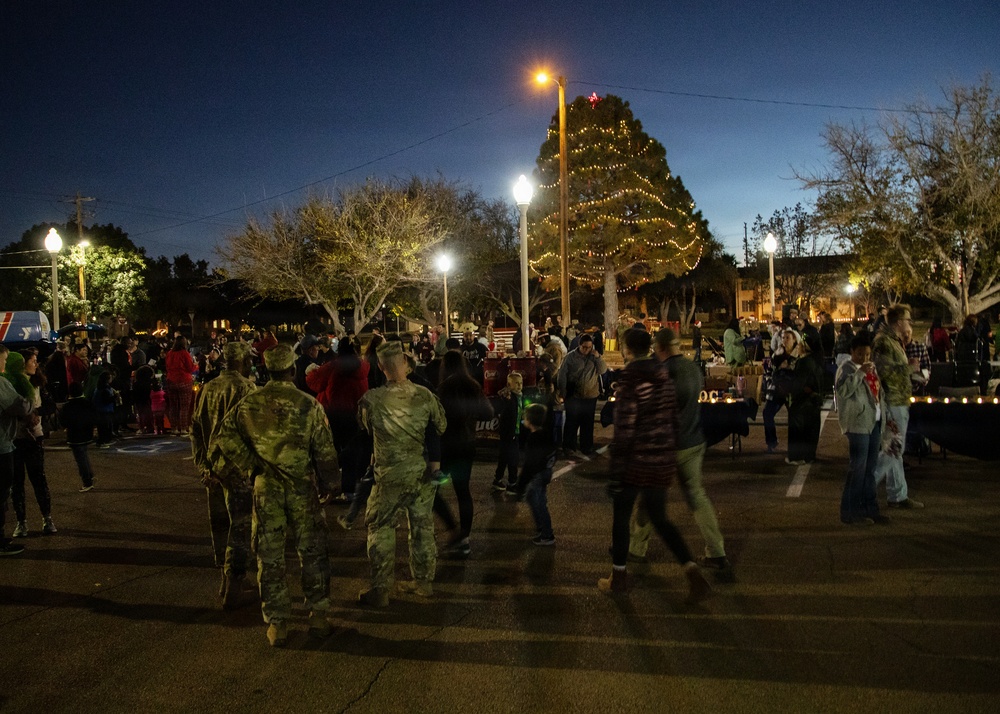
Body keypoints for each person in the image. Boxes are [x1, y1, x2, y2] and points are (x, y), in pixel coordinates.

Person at [215, 344, 340, 647]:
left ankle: (277, 623)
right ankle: (318, 615)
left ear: (266, 370)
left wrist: (251, 464)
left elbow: (224, 437)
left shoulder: (249, 404)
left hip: (266, 487)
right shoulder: (308, 404)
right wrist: (330, 483)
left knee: (269, 557)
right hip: (301, 487)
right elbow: (324, 450)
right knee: (311, 552)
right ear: (293, 370)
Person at [598, 329, 710, 602]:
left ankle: (619, 577)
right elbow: (673, 416)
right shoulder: (662, 374)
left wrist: (616, 469)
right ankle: (693, 573)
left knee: (621, 517)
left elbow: (625, 427)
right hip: (661, 456)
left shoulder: (631, 377)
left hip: (636, 459)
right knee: (660, 518)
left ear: (626, 349)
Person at [629, 328, 732, 576]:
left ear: (660, 348)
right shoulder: (693, 369)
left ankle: (636, 548)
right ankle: (716, 552)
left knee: (649, 498)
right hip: (694, 440)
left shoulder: (664, 373)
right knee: (697, 497)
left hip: (667, 445)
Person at [357, 341, 447, 607]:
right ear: (406, 364)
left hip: (388, 476)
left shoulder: (371, 400)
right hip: (420, 472)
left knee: (381, 528)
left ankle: (381, 589)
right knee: (422, 528)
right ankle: (423, 583)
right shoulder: (425, 395)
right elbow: (440, 426)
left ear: (381, 366)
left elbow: (364, 430)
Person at [190, 341, 258, 609]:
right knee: (239, 528)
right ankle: (235, 583)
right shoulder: (247, 389)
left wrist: (203, 466)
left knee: (219, 525)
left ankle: (224, 577)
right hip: (237, 470)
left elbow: (195, 430)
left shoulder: (207, 388)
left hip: (212, 471)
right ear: (241, 361)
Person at [434, 351, 493, 556]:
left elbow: (436, 419)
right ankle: (464, 537)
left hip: (447, 446)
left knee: (431, 490)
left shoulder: (443, 388)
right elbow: (488, 412)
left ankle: (454, 530)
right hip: (467, 444)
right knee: (462, 491)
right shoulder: (473, 386)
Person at [835, 333, 890, 526]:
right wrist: (860, 373)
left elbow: (879, 394)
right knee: (857, 470)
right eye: (860, 354)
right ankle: (850, 512)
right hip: (858, 425)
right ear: (852, 352)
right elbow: (843, 391)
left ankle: (870, 509)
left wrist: (885, 417)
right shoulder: (846, 369)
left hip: (873, 423)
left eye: (867, 355)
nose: (864, 359)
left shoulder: (872, 369)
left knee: (870, 470)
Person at [872, 305, 924, 509]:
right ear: (898, 322)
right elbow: (883, 370)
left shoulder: (892, 341)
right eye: (907, 320)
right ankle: (865, 486)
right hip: (893, 401)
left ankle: (898, 495)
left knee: (895, 450)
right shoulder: (884, 342)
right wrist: (909, 368)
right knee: (893, 448)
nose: (910, 323)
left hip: (899, 399)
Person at [306, 340, 370, 504]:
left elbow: (314, 382)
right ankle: (350, 488)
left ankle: (330, 487)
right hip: (355, 413)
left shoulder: (332, 366)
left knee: (330, 450)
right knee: (351, 450)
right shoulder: (362, 368)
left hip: (333, 413)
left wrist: (311, 371)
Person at [3, 350, 56, 538]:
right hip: (15, 438)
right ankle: (21, 522)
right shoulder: (9, 383)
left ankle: (47, 518)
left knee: (38, 478)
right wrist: (25, 415)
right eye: (32, 361)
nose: (36, 364)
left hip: (35, 436)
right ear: (21, 363)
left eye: (36, 361)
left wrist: (36, 413)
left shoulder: (37, 382)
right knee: (17, 482)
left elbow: (50, 405)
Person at [0, 344, 31, 555]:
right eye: (3, 359)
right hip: (1, 446)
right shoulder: (1, 384)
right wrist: (30, 404)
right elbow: (18, 406)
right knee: (1, 492)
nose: (4, 363)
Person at [557, 334, 608, 457]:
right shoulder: (570, 357)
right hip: (573, 395)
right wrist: (563, 392)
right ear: (579, 345)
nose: (587, 350)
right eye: (584, 347)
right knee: (572, 422)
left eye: (589, 347)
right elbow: (562, 375)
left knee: (587, 423)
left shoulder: (594, 357)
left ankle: (587, 446)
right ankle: (569, 446)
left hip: (590, 395)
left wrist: (598, 358)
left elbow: (602, 370)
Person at [517, 403, 557, 545]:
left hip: (539, 474)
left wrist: (520, 484)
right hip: (546, 471)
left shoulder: (534, 439)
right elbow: (553, 452)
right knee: (533, 498)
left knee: (540, 503)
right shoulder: (546, 433)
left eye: (525, 417)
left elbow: (530, 464)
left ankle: (547, 534)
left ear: (530, 420)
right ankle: (541, 527)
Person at [786, 332, 823, 465]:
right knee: (811, 430)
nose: (798, 346)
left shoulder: (804, 362)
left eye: (801, 344)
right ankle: (809, 456)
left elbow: (798, 384)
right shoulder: (817, 360)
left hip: (802, 403)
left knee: (798, 429)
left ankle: (796, 457)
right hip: (814, 402)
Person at [60, 382, 98, 492]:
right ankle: (89, 476)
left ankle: (87, 481)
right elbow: (94, 417)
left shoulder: (67, 406)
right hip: (86, 434)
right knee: (84, 455)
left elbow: (63, 421)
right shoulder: (87, 403)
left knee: (81, 459)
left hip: (74, 436)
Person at [491, 372, 525, 493]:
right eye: (516, 384)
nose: (519, 386)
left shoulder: (519, 397)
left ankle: (498, 479)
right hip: (509, 434)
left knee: (505, 457)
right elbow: (505, 413)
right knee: (513, 459)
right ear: (509, 385)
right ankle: (512, 483)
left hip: (513, 433)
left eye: (520, 383)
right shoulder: (509, 398)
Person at [164, 336, 197, 436]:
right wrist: (196, 365)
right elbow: (190, 368)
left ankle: (174, 428)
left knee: (173, 406)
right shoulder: (184, 353)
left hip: (171, 380)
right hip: (183, 380)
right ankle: (183, 428)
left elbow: (167, 366)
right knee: (184, 406)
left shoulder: (170, 353)